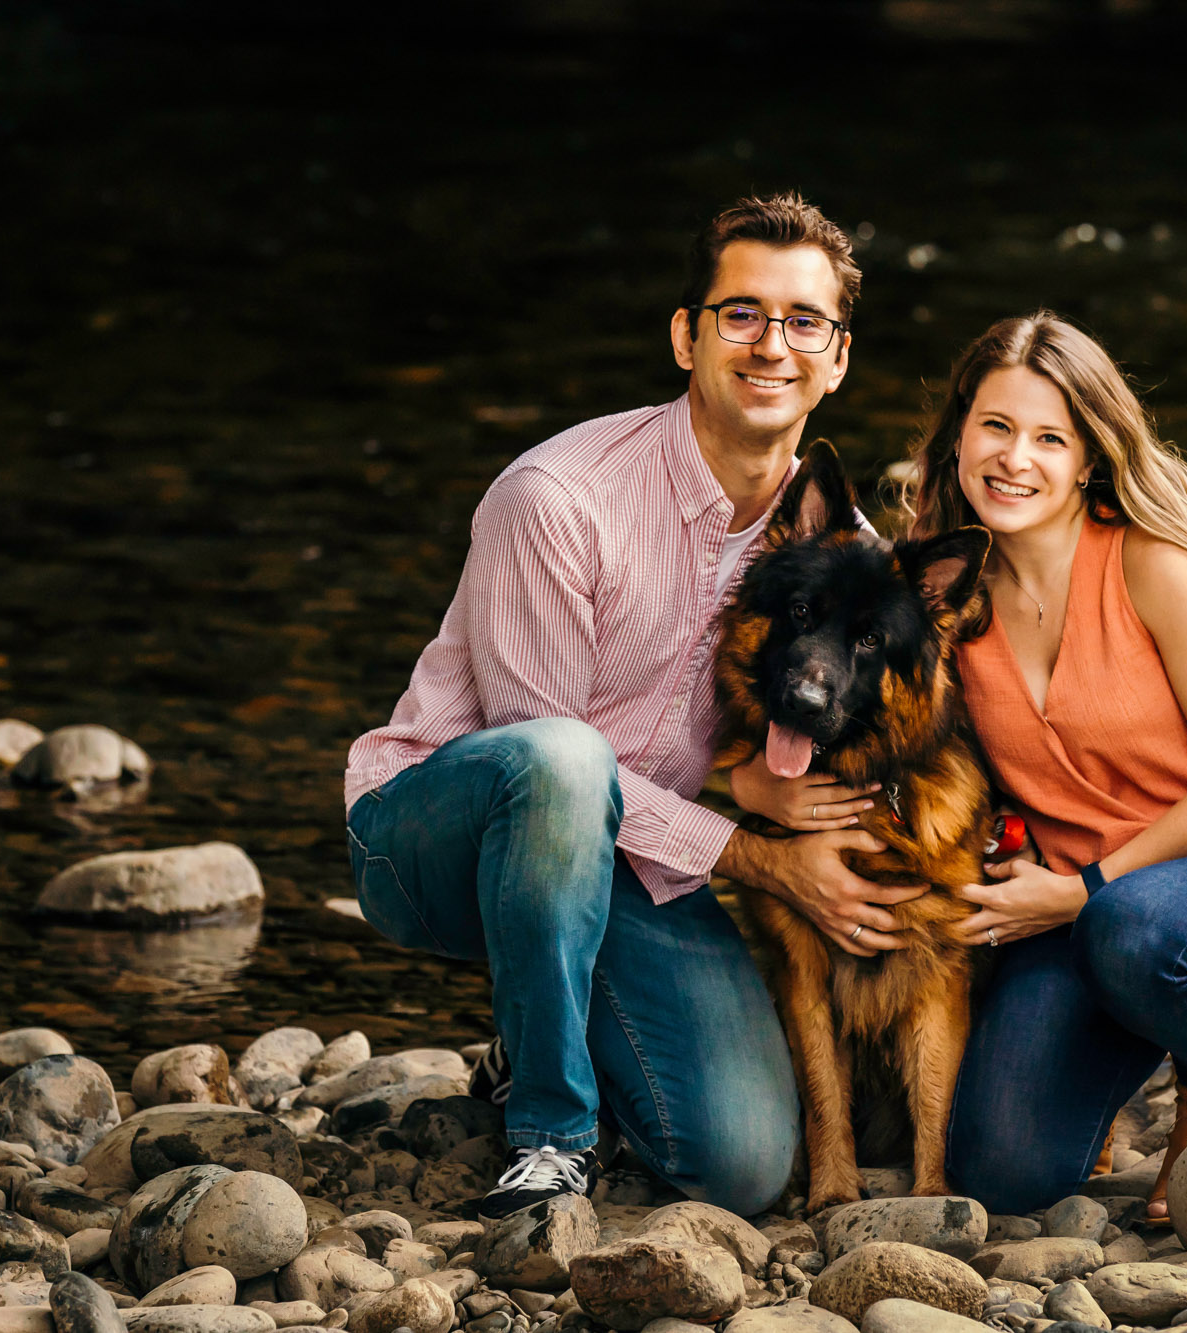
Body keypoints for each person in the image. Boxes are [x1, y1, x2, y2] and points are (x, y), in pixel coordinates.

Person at [341, 193, 927, 1219]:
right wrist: (755, 850)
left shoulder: (838, 555)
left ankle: (541, 1031)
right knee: (563, 765)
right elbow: (549, 761)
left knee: (740, 1165)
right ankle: (549, 1131)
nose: (770, 346)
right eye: (740, 313)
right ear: (684, 335)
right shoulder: (556, 499)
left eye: (802, 323)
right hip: (436, 838)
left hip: (634, 859)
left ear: (837, 358)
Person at [900, 312, 1187, 1219]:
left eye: (1049, 437)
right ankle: (1127, 1045)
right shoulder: (950, 596)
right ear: (959, 431)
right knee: (1004, 1174)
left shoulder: (1155, 566)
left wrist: (1079, 891)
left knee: (1132, 926)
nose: (1014, 458)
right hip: (1090, 906)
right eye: (994, 426)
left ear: (1089, 458)